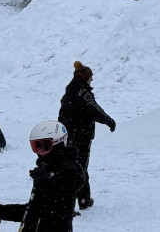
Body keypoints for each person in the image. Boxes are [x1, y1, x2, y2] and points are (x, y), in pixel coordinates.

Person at [0, 120, 85, 232]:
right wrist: (3, 211)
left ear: (59, 143)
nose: (39, 151)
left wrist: (47, 183)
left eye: (44, 146)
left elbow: (59, 210)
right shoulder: (47, 168)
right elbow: (34, 209)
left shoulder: (69, 171)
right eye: (36, 146)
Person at [58, 61, 116, 210]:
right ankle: (83, 200)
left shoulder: (68, 93)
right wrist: (110, 121)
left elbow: (61, 116)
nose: (92, 79)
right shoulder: (84, 93)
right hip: (81, 137)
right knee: (81, 167)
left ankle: (68, 200)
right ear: (84, 77)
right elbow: (95, 110)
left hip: (68, 136)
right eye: (91, 77)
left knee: (70, 165)